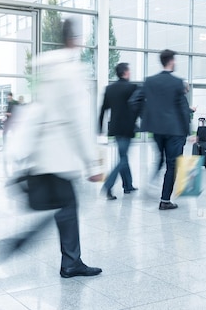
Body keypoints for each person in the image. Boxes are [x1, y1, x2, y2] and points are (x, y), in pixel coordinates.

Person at [25, 18, 103, 278]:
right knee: (67, 206)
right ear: (76, 40)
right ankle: (71, 261)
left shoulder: (43, 69)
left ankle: (70, 259)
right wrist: (92, 163)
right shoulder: (71, 71)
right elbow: (78, 122)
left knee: (62, 206)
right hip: (61, 154)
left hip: (42, 152)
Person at [136, 49, 193, 210]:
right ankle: (165, 200)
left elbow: (136, 100)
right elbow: (183, 108)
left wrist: (147, 117)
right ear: (171, 61)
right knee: (172, 165)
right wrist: (190, 132)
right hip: (174, 131)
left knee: (161, 158)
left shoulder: (150, 81)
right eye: (175, 60)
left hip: (157, 130)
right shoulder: (177, 83)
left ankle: (153, 183)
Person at [98, 62, 138, 200]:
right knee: (123, 159)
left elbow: (103, 109)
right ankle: (108, 185)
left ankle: (128, 185)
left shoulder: (109, 88)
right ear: (126, 72)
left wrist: (99, 127)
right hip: (127, 128)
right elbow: (138, 107)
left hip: (115, 128)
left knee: (123, 156)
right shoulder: (132, 87)